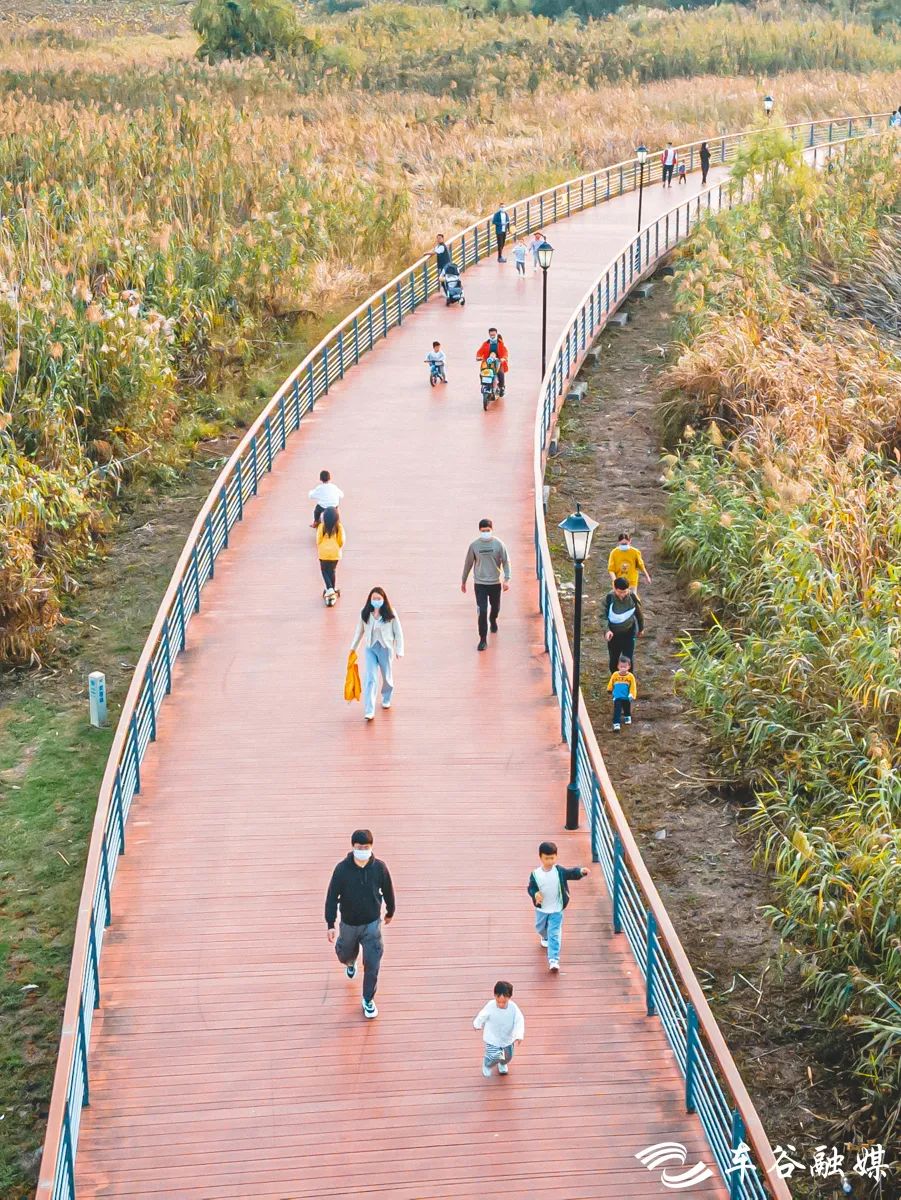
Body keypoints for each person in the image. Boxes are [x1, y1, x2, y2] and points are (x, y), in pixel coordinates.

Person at [325, 829, 395, 1020]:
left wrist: (390, 911)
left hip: (372, 924)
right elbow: (332, 897)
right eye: (359, 847)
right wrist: (330, 922)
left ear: (371, 847)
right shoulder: (342, 870)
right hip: (349, 923)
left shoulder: (380, 868)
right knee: (345, 954)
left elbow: (388, 891)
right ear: (353, 847)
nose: (363, 850)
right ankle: (350, 961)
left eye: (366, 847)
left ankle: (368, 999)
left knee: (373, 961)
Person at [527, 841, 589, 972]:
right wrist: (535, 894)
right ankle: (544, 936)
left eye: (552, 858)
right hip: (542, 908)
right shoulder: (536, 874)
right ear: (540, 857)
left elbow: (571, 873)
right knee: (540, 927)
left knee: (554, 933)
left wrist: (581, 872)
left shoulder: (559, 871)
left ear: (556, 857)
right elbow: (531, 888)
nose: (549, 861)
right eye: (546, 858)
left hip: (556, 908)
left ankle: (553, 960)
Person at [349, 586, 405, 721]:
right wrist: (353, 649)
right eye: (374, 598)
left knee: (387, 677)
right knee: (370, 678)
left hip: (385, 649)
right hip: (371, 649)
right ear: (370, 599)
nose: (376, 601)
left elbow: (398, 633)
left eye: (379, 599)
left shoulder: (391, 613)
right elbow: (359, 632)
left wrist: (399, 650)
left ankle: (386, 696)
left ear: (383, 600)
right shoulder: (365, 613)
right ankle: (369, 709)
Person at [461, 518, 511, 652]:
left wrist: (507, 579)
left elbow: (506, 562)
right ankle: (482, 639)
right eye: (483, 531)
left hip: (494, 583)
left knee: (495, 607)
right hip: (480, 584)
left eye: (488, 530)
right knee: (482, 610)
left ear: (492, 530)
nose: (486, 533)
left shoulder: (499, 544)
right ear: (479, 531)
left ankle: (493, 619)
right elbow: (468, 564)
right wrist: (463, 581)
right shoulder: (474, 546)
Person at [473, 981, 524, 1077]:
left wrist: (519, 1034)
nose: (501, 1004)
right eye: (498, 1001)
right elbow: (482, 1015)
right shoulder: (490, 1006)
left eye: (504, 1002)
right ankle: (487, 1065)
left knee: (507, 1057)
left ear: (509, 998)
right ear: (494, 996)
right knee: (494, 1055)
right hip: (493, 1037)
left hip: (507, 1038)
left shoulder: (513, 1008)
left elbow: (519, 1020)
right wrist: (477, 1023)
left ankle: (503, 1063)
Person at [603, 576, 645, 673]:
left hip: (629, 632)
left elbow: (638, 613)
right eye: (619, 592)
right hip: (613, 634)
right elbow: (602, 617)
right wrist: (607, 630)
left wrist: (641, 628)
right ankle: (614, 678)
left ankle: (629, 679)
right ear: (614, 589)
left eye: (625, 592)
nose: (622, 594)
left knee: (628, 658)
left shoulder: (632, 597)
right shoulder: (608, 598)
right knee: (614, 658)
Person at [317, 507, 345, 600]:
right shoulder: (339, 527)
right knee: (332, 571)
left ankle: (329, 588)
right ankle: (332, 589)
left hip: (323, 553)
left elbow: (318, 540)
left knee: (324, 571)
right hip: (335, 554)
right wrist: (338, 547)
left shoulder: (322, 527)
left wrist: (321, 547)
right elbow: (341, 540)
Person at [607, 656, 637, 732]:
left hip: (626, 697)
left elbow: (633, 686)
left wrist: (632, 694)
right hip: (617, 696)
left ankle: (627, 716)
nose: (623, 668)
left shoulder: (630, 677)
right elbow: (611, 682)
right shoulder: (615, 675)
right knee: (617, 710)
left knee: (626, 707)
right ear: (618, 666)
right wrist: (609, 689)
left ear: (629, 667)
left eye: (625, 667)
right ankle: (616, 723)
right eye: (621, 666)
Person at [475, 328, 509, 396]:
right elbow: (479, 352)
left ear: (496, 334)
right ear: (489, 335)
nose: (492, 336)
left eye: (494, 335)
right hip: (488, 362)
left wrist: (504, 358)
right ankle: (484, 384)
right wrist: (478, 357)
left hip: (498, 362)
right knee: (482, 373)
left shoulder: (500, 343)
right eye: (491, 335)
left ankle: (502, 387)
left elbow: (505, 352)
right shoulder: (486, 343)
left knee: (500, 373)